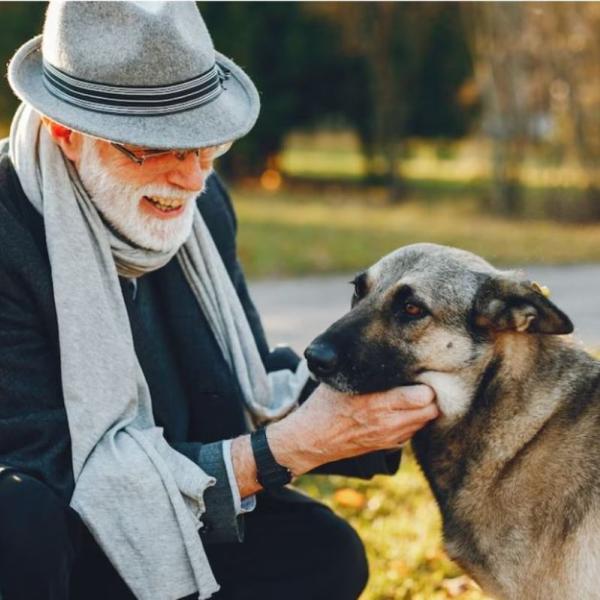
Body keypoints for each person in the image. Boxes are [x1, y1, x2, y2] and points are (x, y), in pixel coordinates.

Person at [0, 2, 439, 600]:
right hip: (57, 531)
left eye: (204, 143)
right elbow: (54, 472)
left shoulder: (201, 208)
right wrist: (289, 447)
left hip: (176, 496)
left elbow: (241, 388)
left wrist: (389, 388)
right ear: (66, 133)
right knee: (17, 521)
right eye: (155, 147)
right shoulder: (8, 230)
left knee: (323, 553)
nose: (191, 176)